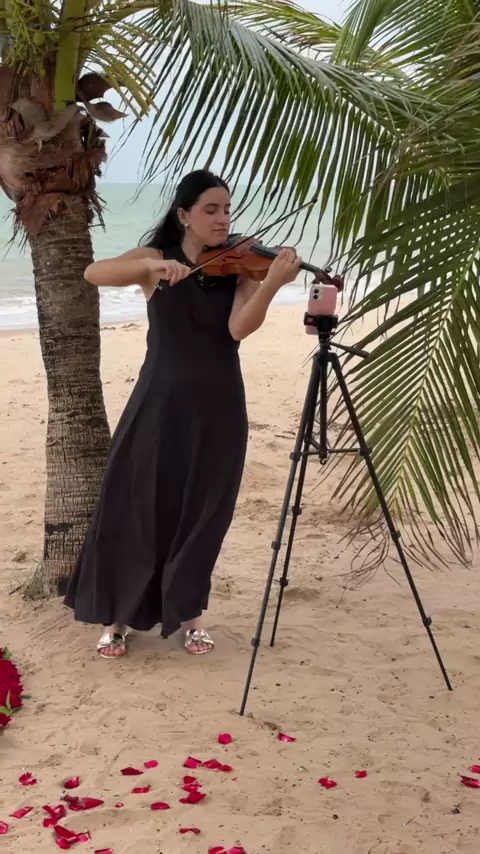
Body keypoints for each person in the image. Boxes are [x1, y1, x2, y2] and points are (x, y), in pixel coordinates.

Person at [64, 169, 302, 658]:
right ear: (184, 215)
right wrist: (151, 268)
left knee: (203, 515)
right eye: (211, 210)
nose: (223, 219)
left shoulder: (238, 267)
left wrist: (272, 284)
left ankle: (189, 617)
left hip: (219, 406)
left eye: (227, 210)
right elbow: (94, 273)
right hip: (159, 403)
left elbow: (238, 329)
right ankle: (117, 619)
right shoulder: (156, 259)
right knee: (137, 507)